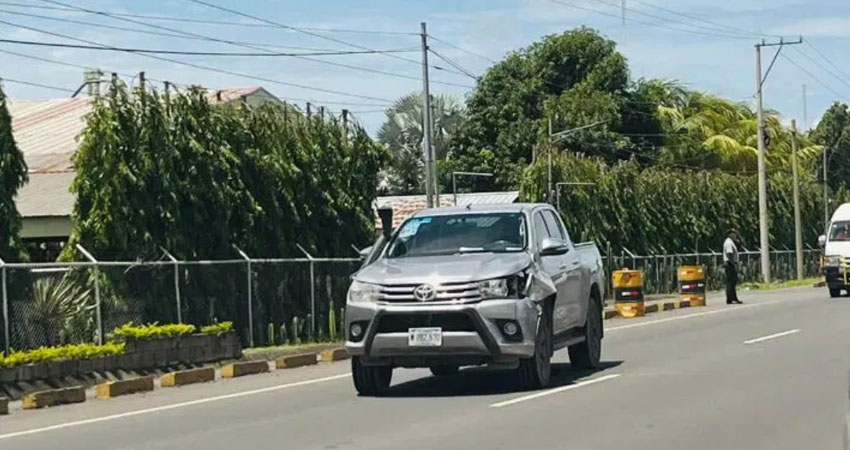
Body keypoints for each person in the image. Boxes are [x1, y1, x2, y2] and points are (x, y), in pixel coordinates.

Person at [723, 228, 742, 304]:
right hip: (729, 264)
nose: (735, 235)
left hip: (730, 263)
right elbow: (729, 254)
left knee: (732, 282)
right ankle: (730, 298)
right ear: (730, 234)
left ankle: (733, 297)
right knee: (730, 282)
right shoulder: (728, 243)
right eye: (734, 234)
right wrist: (733, 264)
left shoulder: (731, 242)